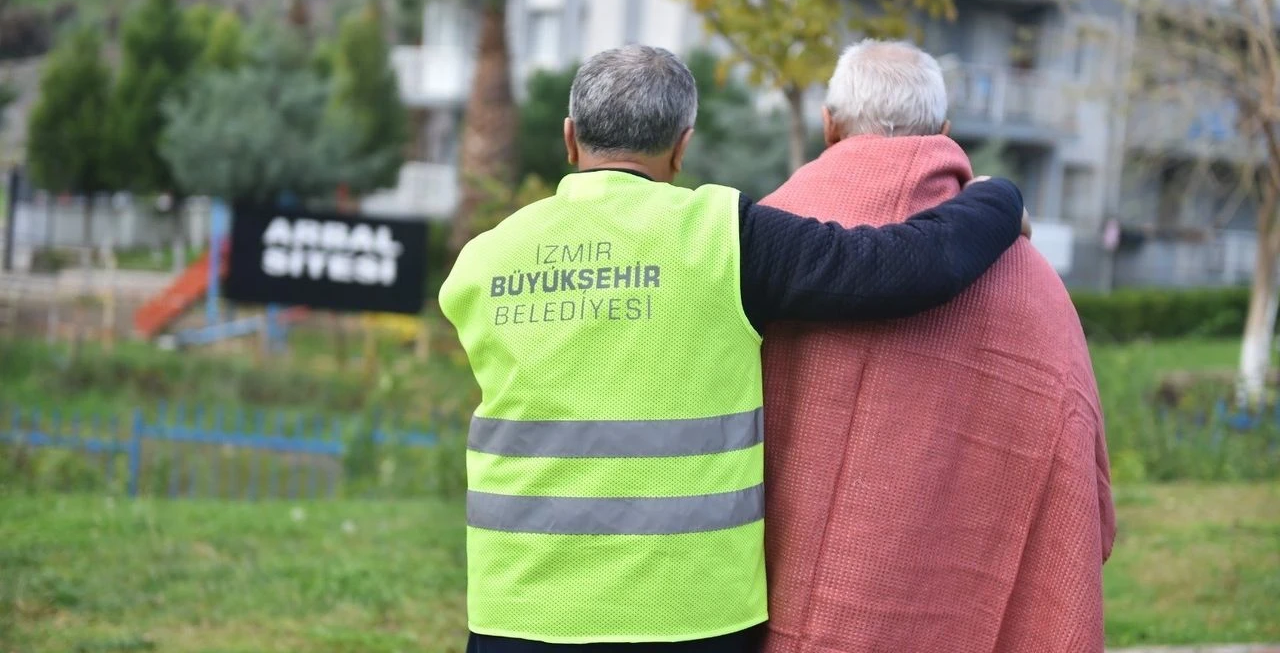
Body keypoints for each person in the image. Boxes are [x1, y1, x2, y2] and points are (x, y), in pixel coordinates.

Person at [439, 44, 1028, 653]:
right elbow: (907, 267)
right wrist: (998, 197)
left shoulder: (484, 260)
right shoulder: (724, 237)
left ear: (569, 137)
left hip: (519, 614)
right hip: (690, 617)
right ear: (681, 144)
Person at [758, 40, 1116, 653]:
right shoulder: (1033, 283)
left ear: (827, 123)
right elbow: (1085, 494)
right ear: (945, 132)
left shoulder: (762, 238)